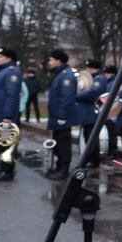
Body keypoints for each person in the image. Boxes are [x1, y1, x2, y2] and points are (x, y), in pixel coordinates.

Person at [0, 47, 22, 181]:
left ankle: (7, 172)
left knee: (6, 144)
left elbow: (12, 96)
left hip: (4, 116)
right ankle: (3, 170)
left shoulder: (12, 72)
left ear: (9, 59)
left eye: (1, 57)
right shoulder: (1, 71)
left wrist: (8, 116)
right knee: (1, 144)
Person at [46, 49, 78, 180]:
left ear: (58, 61)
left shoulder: (66, 76)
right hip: (56, 115)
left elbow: (67, 98)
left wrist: (62, 116)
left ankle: (64, 169)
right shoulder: (59, 74)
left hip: (62, 117)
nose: (50, 62)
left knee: (63, 144)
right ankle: (59, 166)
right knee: (57, 143)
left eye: (51, 60)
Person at [76, 59, 107, 168]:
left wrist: (77, 96)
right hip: (87, 113)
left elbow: (92, 94)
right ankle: (89, 158)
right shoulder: (93, 78)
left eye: (88, 68)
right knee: (87, 137)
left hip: (92, 112)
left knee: (92, 138)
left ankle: (94, 160)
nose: (87, 70)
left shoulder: (99, 79)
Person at [102, 64, 118, 158]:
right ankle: (111, 150)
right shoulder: (108, 82)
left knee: (111, 132)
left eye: (107, 73)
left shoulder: (113, 83)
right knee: (109, 132)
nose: (105, 75)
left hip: (111, 111)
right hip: (108, 110)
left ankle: (113, 151)